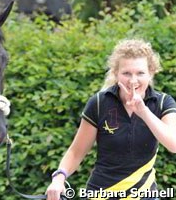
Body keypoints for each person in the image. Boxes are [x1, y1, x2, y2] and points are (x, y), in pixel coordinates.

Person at [46, 39, 176, 200]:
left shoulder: (164, 102)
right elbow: (76, 151)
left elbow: (173, 144)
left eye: (140, 73)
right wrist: (59, 178)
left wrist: (143, 111)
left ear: (151, 73)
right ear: (116, 74)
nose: (133, 80)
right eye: (126, 73)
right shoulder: (99, 103)